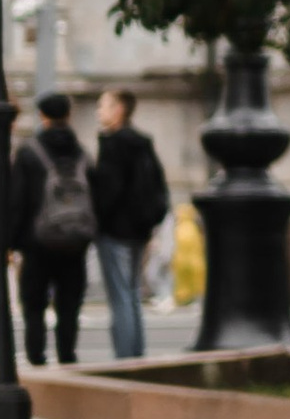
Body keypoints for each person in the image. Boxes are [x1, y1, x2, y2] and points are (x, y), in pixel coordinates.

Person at [9, 91, 96, 367]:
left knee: (34, 304)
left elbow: (17, 200)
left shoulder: (28, 152)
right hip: (75, 240)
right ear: (68, 116)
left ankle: (36, 356)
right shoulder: (82, 153)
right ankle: (67, 356)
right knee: (69, 304)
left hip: (37, 243)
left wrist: (12, 241)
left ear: (42, 116)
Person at [89, 86, 170, 363]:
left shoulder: (113, 144)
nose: (99, 111)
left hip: (115, 231)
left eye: (103, 105)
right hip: (140, 230)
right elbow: (159, 185)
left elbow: (108, 190)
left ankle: (125, 357)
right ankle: (136, 354)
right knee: (132, 294)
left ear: (119, 110)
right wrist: (150, 223)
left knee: (121, 296)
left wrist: (97, 221)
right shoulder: (142, 143)